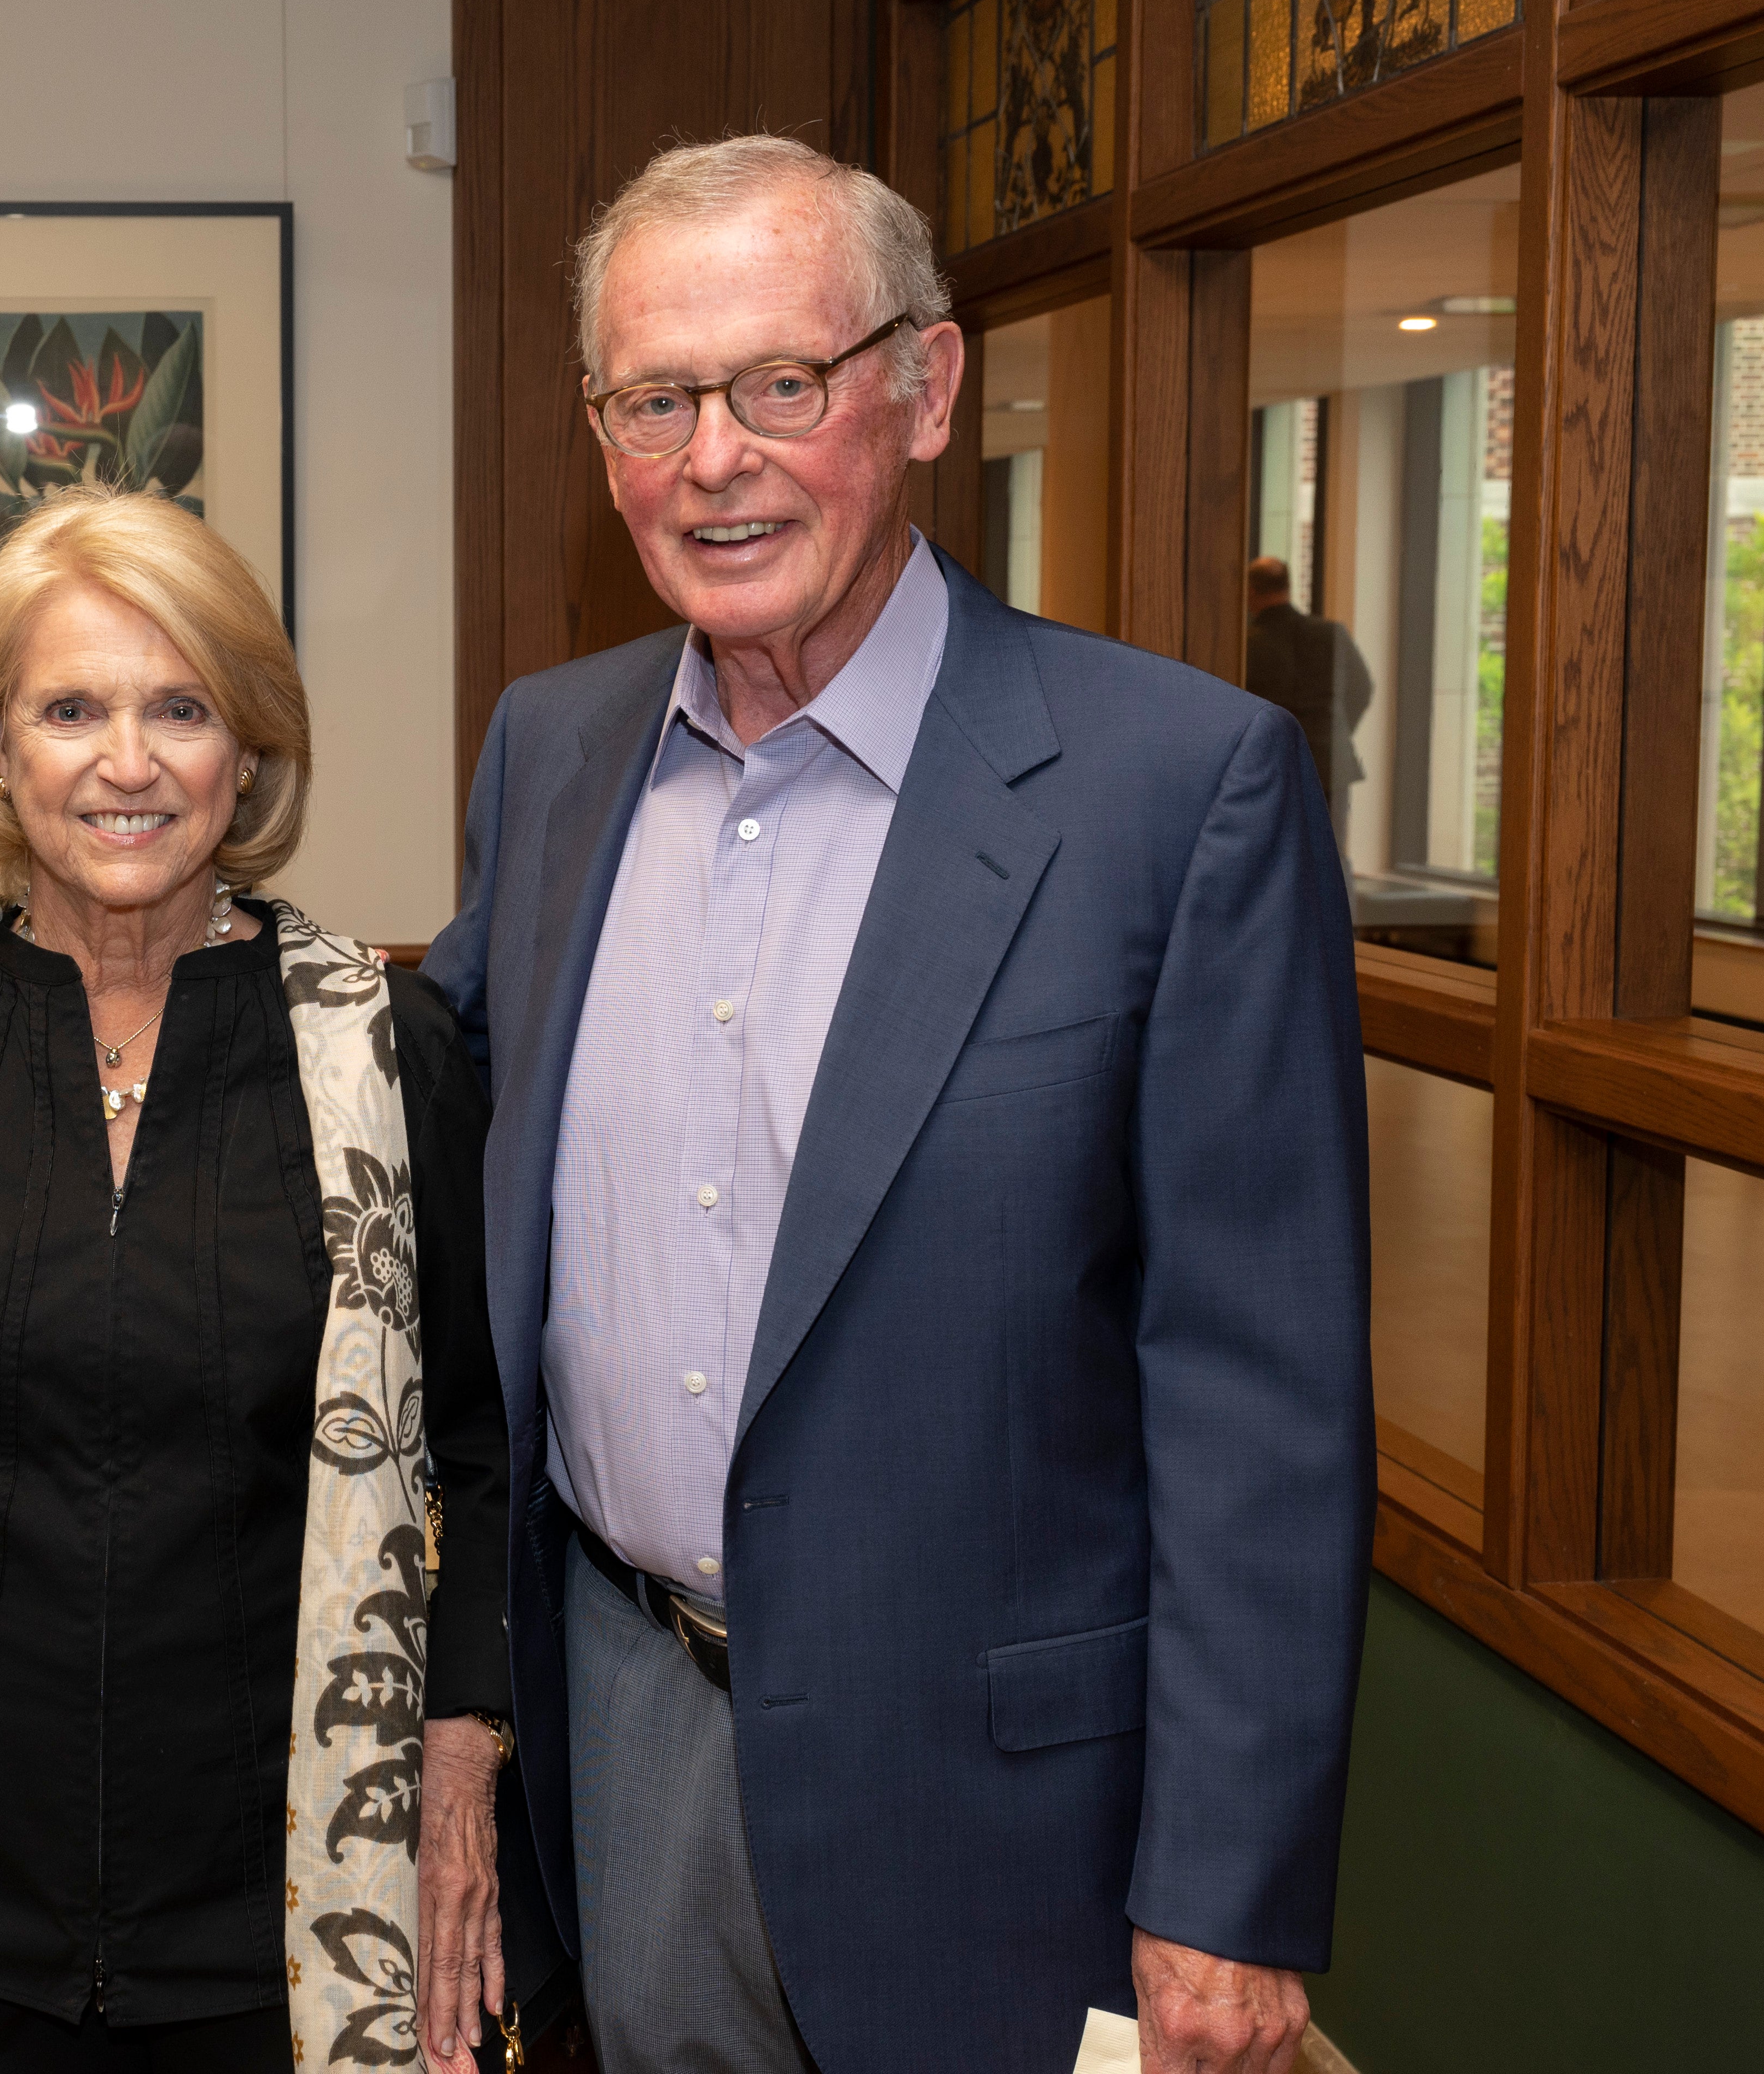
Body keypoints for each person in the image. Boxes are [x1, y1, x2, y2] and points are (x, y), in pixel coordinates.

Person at [421, 137, 1373, 2074]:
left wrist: (1223, 1885)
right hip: (623, 1725)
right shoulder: (549, 752)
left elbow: (1258, 1398)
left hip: (1001, 1810)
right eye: (652, 401)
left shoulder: (1173, 792)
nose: (714, 459)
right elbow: (422, 1149)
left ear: (922, 389)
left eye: (781, 383)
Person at [0, 485, 515, 2074]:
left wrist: (455, 1793)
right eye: (70, 709)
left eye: (180, 706)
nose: (127, 761)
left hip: (292, 1922)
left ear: (246, 751)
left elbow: (482, 1452)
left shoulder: (390, 1052)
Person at [1241, 554, 1377, 840]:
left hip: (1275, 766)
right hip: (1330, 764)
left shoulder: (1247, 645)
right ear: (1288, 587)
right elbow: (1362, 689)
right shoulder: (1331, 633)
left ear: (1251, 591)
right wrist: (1334, 730)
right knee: (1333, 856)